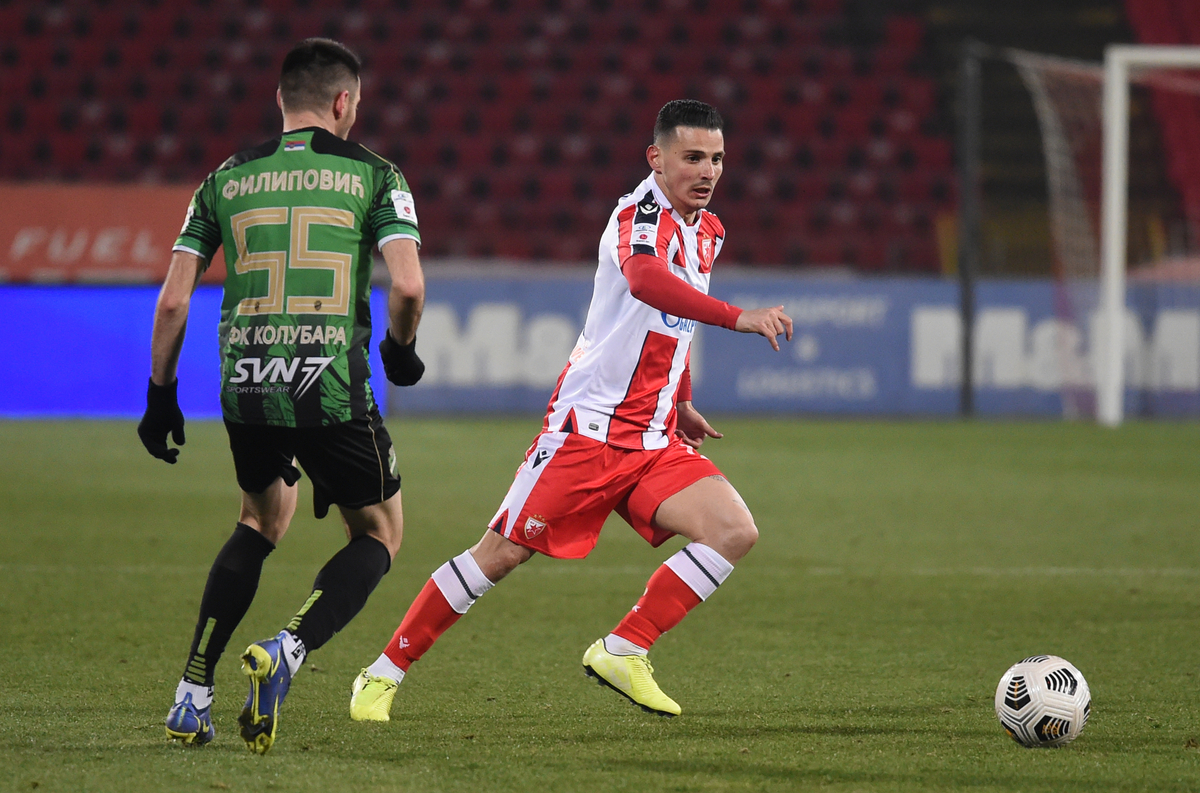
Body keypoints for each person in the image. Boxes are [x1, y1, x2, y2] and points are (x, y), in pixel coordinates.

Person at [347, 99, 793, 722]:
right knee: (500, 554)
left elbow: (675, 321)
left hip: (654, 438)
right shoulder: (638, 216)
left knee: (733, 531)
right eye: (692, 157)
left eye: (717, 158)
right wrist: (738, 317)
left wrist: (683, 400)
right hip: (588, 430)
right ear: (656, 160)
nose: (708, 170)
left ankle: (624, 647)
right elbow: (644, 281)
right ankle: (382, 673)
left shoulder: (707, 230)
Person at [137, 38, 427, 754]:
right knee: (380, 534)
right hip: (327, 384)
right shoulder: (377, 175)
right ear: (343, 102)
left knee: (263, 517)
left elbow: (174, 301)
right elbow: (410, 284)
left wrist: (159, 396)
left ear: (280, 100)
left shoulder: (225, 177)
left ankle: (191, 691)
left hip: (247, 380)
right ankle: (287, 649)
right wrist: (399, 349)